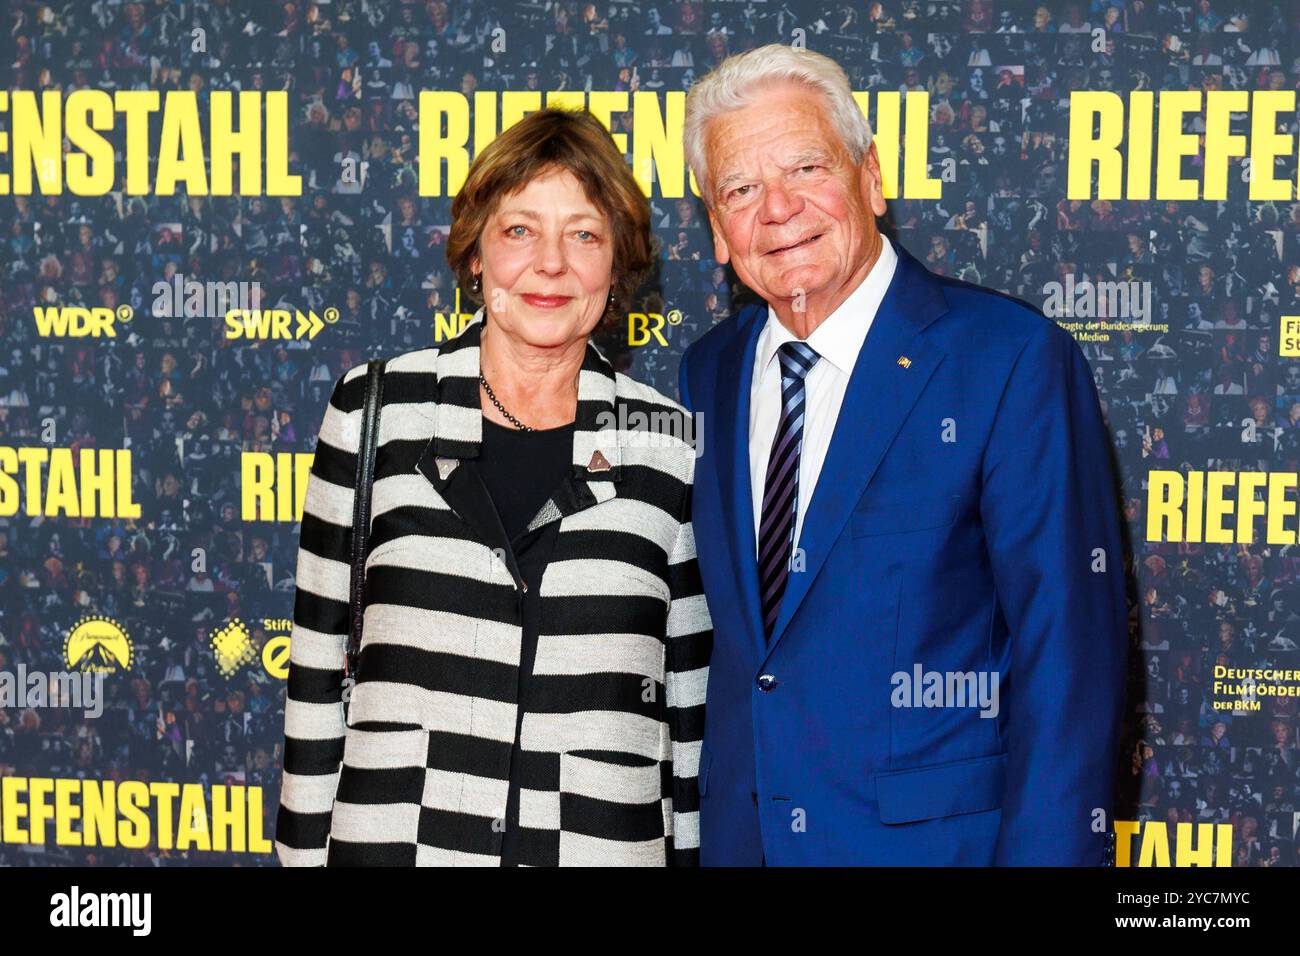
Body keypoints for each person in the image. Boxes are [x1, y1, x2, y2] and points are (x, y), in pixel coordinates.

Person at [678, 45, 1128, 865]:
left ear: (871, 177)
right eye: (739, 189)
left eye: (806, 166)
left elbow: (1068, 662)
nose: (777, 208)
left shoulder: (1008, 358)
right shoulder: (706, 372)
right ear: (716, 228)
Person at [275, 108, 711, 867]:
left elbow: (690, 703)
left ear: (617, 265)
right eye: (519, 231)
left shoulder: (668, 442)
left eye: (583, 234)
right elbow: (317, 661)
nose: (551, 264)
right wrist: (304, 855)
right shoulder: (375, 409)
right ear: (475, 254)